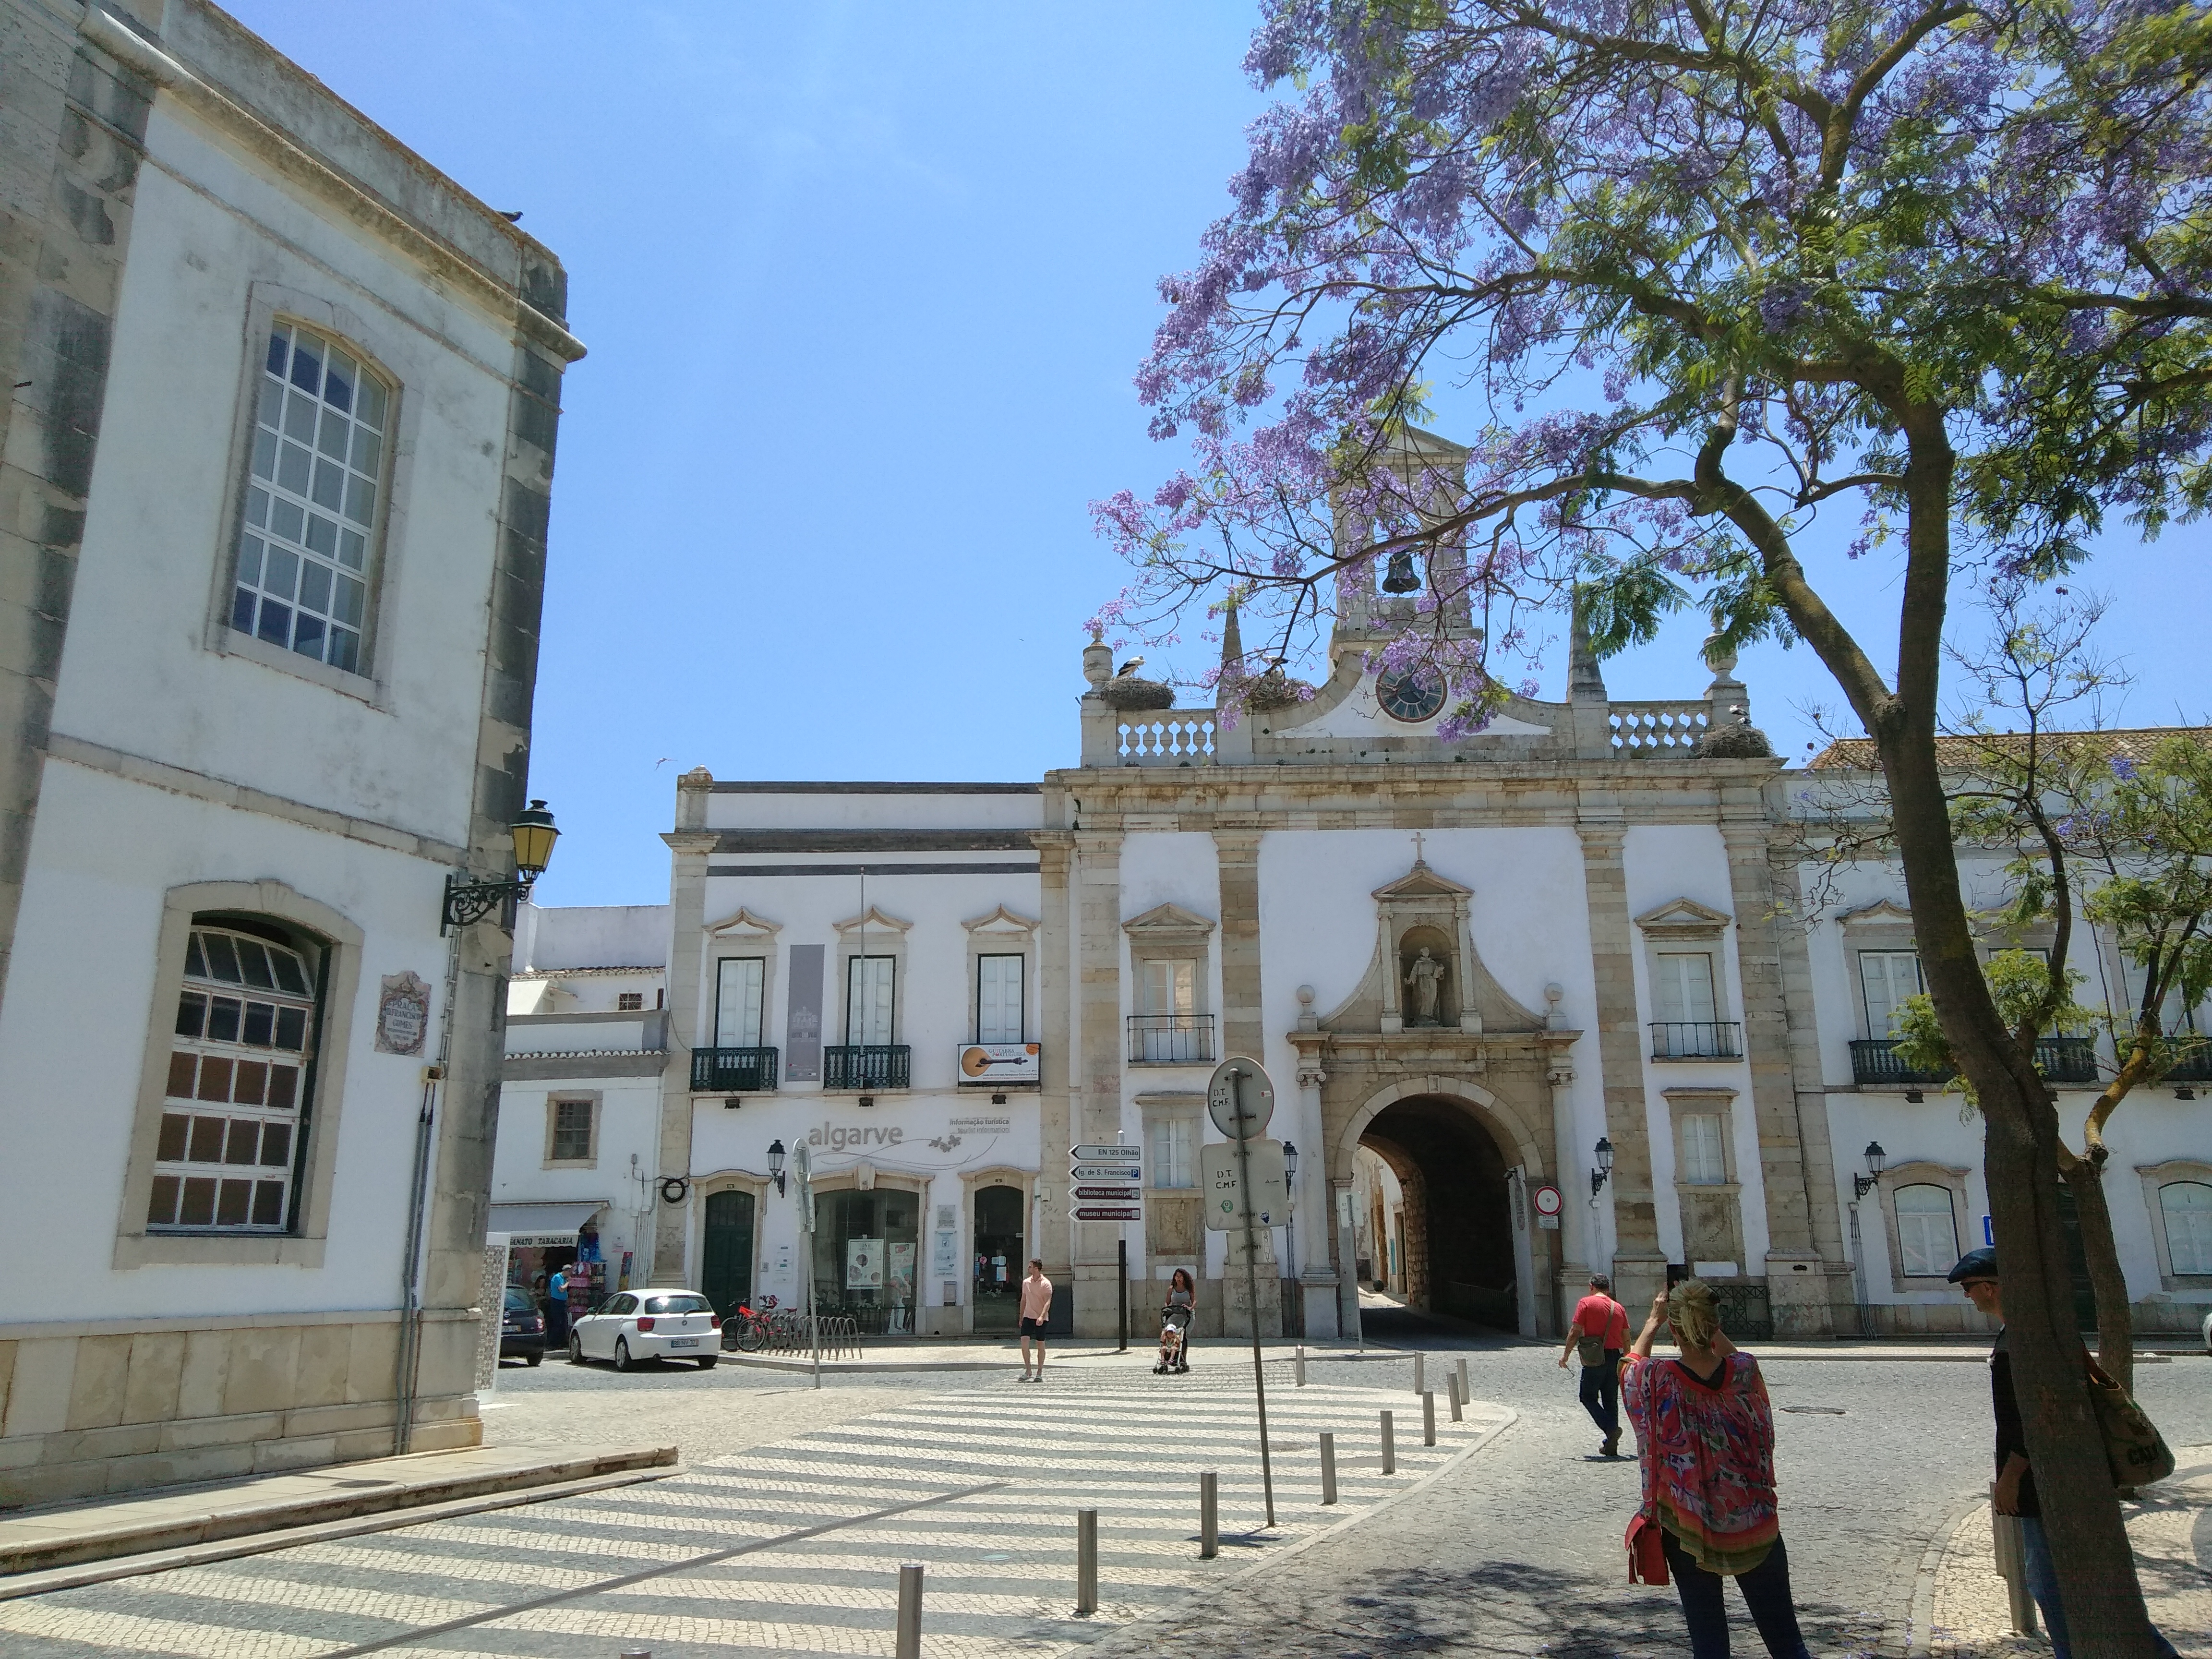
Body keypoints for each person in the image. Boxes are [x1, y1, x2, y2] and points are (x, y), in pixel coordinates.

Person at [1947, 1246, 2178, 1659]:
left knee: (2050, 1583)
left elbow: (2031, 1417)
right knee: (2077, 1581)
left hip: (2044, 1481)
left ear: (1989, 1287)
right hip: (2068, 1474)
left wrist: (2011, 1478)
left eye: (1968, 1288)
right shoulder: (2041, 1331)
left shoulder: (2019, 1341)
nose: (1968, 1296)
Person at [1621, 1279, 1811, 1659]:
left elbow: (1627, 1369)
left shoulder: (1656, 1380)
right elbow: (1735, 1357)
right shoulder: (1745, 1371)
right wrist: (1705, 1322)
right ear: (1714, 1324)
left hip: (1688, 1526)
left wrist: (1653, 1322)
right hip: (1754, 1523)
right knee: (1787, 1642)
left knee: (1708, 1640)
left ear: (1674, 1328)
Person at [1557, 1271, 1630, 1456]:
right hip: (1615, 1357)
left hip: (1595, 1357)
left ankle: (1610, 1429)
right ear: (1607, 1288)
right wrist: (1627, 1359)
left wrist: (1566, 1355)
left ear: (1591, 1287)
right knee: (1610, 1400)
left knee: (1587, 1396)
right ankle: (1611, 1444)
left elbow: (1575, 1330)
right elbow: (1626, 1336)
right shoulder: (1618, 1307)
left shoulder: (1586, 1303)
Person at [1157, 1267, 1197, 1374]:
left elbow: (1194, 1302)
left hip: (1186, 1315)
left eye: (1181, 1277)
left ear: (1184, 1278)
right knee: (1169, 1335)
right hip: (1175, 1314)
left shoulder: (1189, 1289)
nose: (1179, 1279)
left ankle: (1182, 1360)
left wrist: (1190, 1308)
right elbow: (1167, 1302)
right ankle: (1168, 1358)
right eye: (1177, 1276)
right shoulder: (1172, 1288)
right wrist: (1168, 1310)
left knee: (1183, 1337)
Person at [1018, 1258, 1052, 1381]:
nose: (1028, 1269)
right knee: (1024, 1343)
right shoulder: (1026, 1283)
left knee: (1040, 1345)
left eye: (1030, 1267)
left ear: (1036, 1269)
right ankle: (1028, 1370)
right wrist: (1021, 1317)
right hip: (1028, 1316)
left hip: (1041, 1318)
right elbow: (1023, 1300)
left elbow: (1048, 1302)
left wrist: (1042, 1316)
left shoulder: (1046, 1284)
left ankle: (1040, 1372)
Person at [545, 1264, 570, 1348]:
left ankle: (561, 1342)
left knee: (563, 1323)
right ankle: (552, 1343)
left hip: (562, 1302)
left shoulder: (563, 1278)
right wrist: (568, 1283)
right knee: (557, 1322)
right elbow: (562, 1289)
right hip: (556, 1302)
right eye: (569, 1272)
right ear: (566, 1271)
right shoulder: (558, 1277)